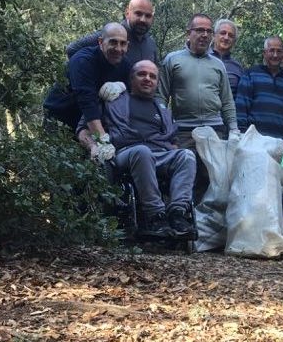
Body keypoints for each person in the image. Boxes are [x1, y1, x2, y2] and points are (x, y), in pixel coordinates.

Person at [77, 60, 197, 240]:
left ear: (157, 82)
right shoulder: (112, 100)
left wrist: (175, 152)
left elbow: (173, 141)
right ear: (131, 79)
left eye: (152, 76)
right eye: (142, 74)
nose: (147, 79)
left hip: (159, 154)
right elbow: (83, 129)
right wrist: (94, 146)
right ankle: (155, 216)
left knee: (187, 155)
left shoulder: (164, 110)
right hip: (125, 153)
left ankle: (177, 214)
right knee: (142, 152)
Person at [158, 13, 238, 143]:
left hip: (215, 130)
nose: (205, 35)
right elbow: (161, 96)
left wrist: (234, 129)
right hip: (183, 131)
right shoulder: (172, 60)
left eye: (209, 31)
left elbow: (227, 100)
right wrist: (164, 125)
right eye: (200, 30)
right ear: (188, 33)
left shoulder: (218, 64)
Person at [43, 23, 132, 131]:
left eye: (123, 44)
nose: (118, 49)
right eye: (113, 42)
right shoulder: (83, 61)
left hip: (86, 122)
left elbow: (135, 89)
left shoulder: (125, 63)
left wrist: (122, 86)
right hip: (59, 119)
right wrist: (102, 142)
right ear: (100, 42)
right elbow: (87, 103)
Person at [235, 36, 283, 142]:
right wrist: (242, 134)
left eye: (279, 51)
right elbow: (241, 107)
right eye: (271, 51)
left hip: (280, 143)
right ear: (264, 53)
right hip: (254, 141)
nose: (275, 55)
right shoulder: (250, 74)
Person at [66, 0, 158, 63]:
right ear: (127, 13)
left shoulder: (151, 45)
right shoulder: (111, 34)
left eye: (148, 16)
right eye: (138, 14)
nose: (143, 20)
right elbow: (72, 49)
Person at [209, 19, 245, 98]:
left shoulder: (238, 68)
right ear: (214, 36)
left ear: (234, 41)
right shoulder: (202, 59)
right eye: (223, 33)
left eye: (231, 35)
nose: (226, 38)